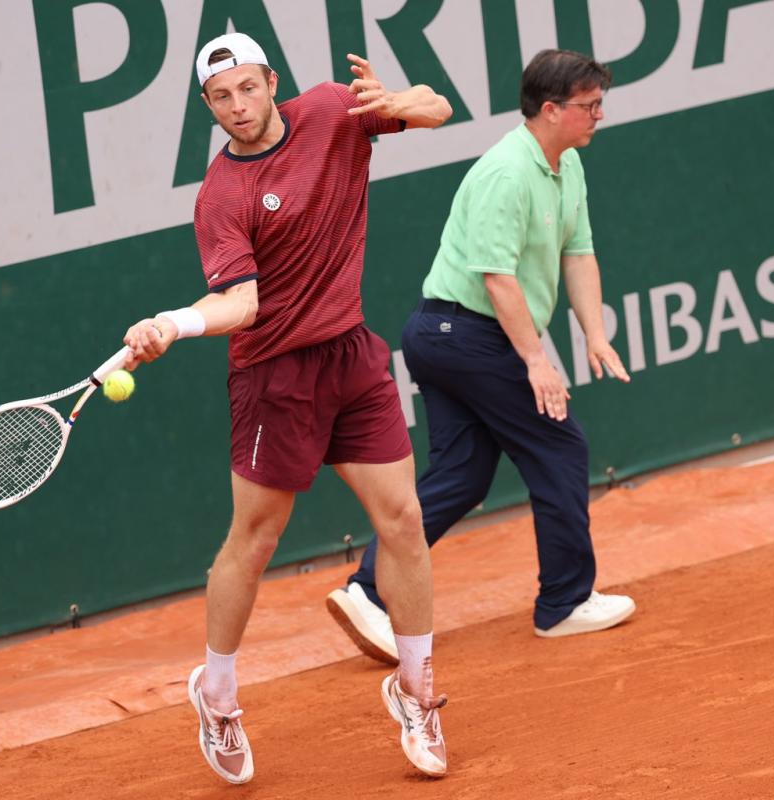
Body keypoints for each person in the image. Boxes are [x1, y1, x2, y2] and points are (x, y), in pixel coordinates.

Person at [119, 33, 453, 784]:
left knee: (402, 520)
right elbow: (242, 303)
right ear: (208, 106)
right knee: (256, 541)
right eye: (222, 97)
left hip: (352, 356)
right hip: (275, 377)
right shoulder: (221, 198)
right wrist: (176, 322)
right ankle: (219, 694)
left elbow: (436, 109)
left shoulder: (336, 110)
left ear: (272, 81)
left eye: (248, 87)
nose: (239, 106)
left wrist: (405, 105)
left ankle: (417, 688)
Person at [327, 49, 636, 665]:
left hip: (450, 337)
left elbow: (579, 253)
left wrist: (594, 334)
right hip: (464, 334)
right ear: (551, 111)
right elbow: (497, 277)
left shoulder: (566, 165)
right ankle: (564, 603)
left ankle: (367, 591)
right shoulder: (506, 172)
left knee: (463, 474)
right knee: (559, 446)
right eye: (589, 106)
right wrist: (537, 360)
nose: (599, 115)